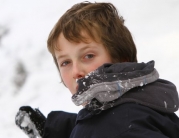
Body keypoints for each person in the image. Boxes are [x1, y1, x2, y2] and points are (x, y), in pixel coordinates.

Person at [15, 1, 179, 138]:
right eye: (65, 62)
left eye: (88, 56)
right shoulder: (125, 109)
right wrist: (52, 129)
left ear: (121, 59)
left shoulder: (128, 126)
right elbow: (100, 126)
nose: (75, 71)